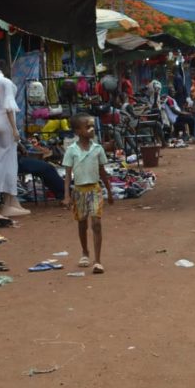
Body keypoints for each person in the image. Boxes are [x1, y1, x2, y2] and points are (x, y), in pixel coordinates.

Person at [62, 113, 113, 274]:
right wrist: (67, 196)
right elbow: (68, 174)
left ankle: (97, 261)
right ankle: (85, 252)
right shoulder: (71, 150)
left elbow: (102, 171)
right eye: (87, 127)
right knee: (82, 223)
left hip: (95, 189)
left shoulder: (98, 149)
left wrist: (109, 191)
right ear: (77, 131)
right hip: (79, 191)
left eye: (92, 126)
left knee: (96, 224)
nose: (91, 129)